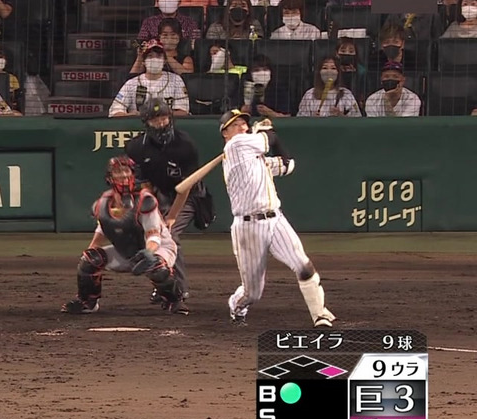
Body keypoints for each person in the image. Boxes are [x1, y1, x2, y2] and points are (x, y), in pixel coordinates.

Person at [217, 110, 336, 327]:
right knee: (253, 293)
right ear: (225, 133)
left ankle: (320, 314)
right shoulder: (234, 146)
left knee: (303, 265)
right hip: (248, 227)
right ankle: (237, 305)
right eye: (235, 125)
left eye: (244, 123)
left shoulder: (256, 159)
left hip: (275, 219)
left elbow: (287, 163)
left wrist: (269, 133)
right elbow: (268, 139)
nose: (242, 127)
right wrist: (266, 130)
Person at [61, 155, 184, 315]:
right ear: (110, 177)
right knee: (90, 259)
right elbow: (102, 229)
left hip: (159, 247)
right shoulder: (102, 204)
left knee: (156, 266)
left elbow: (154, 235)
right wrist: (89, 256)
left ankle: (173, 300)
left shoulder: (145, 200)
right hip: (127, 252)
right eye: (118, 171)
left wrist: (149, 252)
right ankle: (87, 302)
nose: (123, 175)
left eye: (126, 171)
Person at [124, 99, 202, 313]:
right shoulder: (136, 147)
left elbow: (186, 187)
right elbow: (144, 185)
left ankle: (179, 289)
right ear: (146, 122)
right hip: (158, 194)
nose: (160, 123)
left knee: (170, 235)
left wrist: (172, 216)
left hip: (188, 196)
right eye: (155, 119)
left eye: (164, 118)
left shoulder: (185, 144)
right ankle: (162, 285)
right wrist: (153, 212)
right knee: (152, 237)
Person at [109, 41, 190, 117]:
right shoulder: (132, 83)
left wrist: (160, 115)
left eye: (158, 56)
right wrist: (133, 115)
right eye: (150, 56)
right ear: (143, 61)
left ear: (164, 61)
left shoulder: (176, 80)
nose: (154, 59)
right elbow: (114, 112)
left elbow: (184, 111)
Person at [137, 0, 202, 43]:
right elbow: (137, 43)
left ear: (179, 3)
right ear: (158, 2)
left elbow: (196, 45)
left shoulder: (190, 23)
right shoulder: (149, 22)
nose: (167, 0)